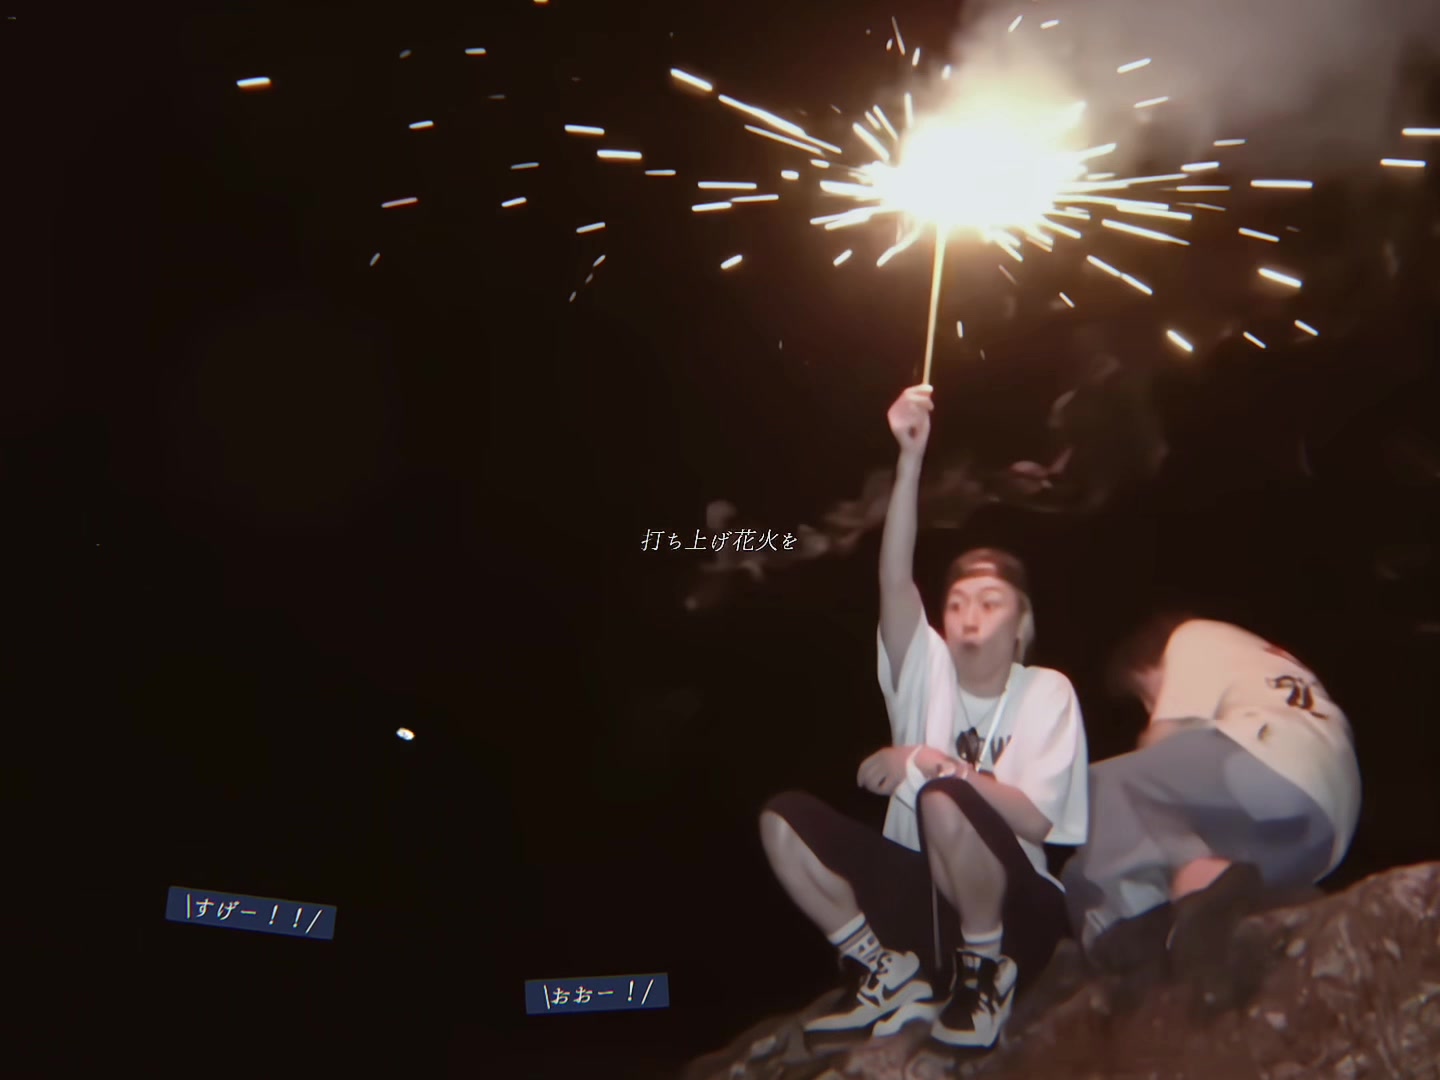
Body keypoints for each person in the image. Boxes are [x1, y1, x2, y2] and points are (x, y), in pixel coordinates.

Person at [759, 384, 1089, 1049]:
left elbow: (1035, 821)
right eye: (958, 601)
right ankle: (882, 969)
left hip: (1014, 914)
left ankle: (982, 974)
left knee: (944, 797)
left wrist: (930, 763)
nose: (969, 615)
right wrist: (909, 461)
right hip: (919, 912)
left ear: (1022, 624)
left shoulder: (1045, 690)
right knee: (783, 820)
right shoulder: (926, 671)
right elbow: (893, 576)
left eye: (990, 602)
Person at [1060, 614, 1362, 1008]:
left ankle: (1122, 934)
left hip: (1267, 763)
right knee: (1196, 866)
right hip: (1324, 830)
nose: (1150, 707)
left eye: (1146, 695)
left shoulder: (1191, 636)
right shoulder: (1258, 657)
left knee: (1100, 787)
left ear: (1151, 663)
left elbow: (1161, 741)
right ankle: (1207, 913)